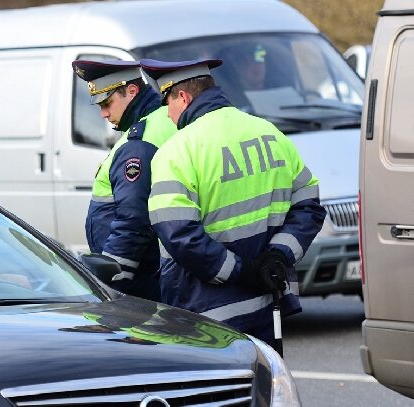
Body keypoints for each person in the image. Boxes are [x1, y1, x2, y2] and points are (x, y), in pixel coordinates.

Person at [140, 58, 326, 346]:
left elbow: (178, 234)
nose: (167, 116)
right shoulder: (268, 132)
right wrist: (279, 256)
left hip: (205, 314)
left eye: (168, 105)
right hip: (267, 303)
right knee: (265, 385)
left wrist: (240, 271)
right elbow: (309, 205)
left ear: (183, 97)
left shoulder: (176, 151)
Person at [71, 59, 177, 301]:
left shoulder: (140, 142)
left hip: (141, 278)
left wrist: (113, 279)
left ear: (131, 91)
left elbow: (133, 219)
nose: (104, 113)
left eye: (107, 103)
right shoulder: (163, 120)